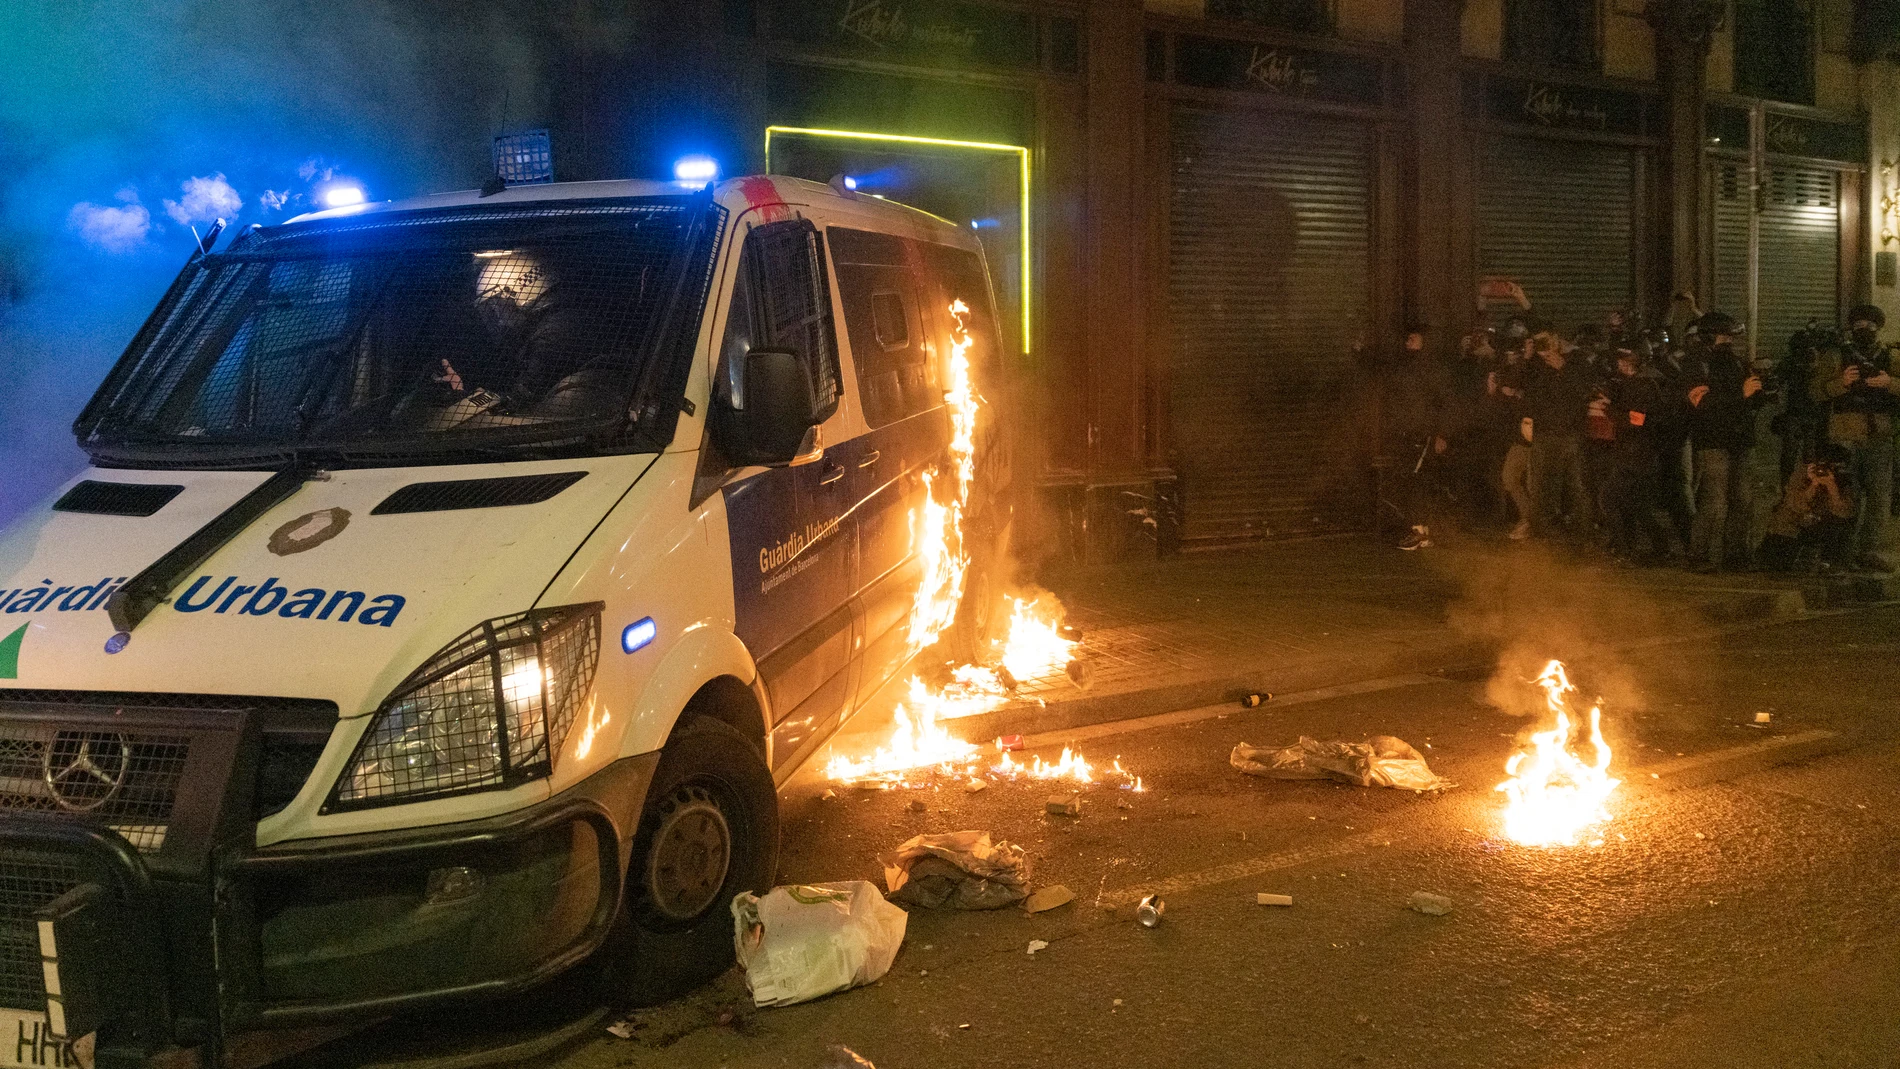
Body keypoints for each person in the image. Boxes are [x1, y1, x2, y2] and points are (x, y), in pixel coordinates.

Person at [1809, 306, 1899, 572]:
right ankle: (1841, 552)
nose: (1865, 330)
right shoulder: (1836, 356)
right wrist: (1842, 382)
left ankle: (1869, 551)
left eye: (1871, 325)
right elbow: (1815, 392)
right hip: (1844, 436)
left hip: (1880, 436)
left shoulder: (1891, 357)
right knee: (1846, 496)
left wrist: (1889, 383)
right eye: (1859, 325)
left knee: (1879, 497)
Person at [1684, 312, 1768, 572]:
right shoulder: (1697, 364)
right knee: (1715, 501)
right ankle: (1699, 556)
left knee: (1743, 499)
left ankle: (1736, 555)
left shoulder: (1738, 363)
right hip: (1712, 441)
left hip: (1741, 439)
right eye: (1723, 336)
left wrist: (1761, 393)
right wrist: (1740, 395)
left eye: (1731, 336)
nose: (1728, 342)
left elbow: (1748, 401)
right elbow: (1703, 404)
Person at [1379, 324, 1453, 550]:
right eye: (1407, 337)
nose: (1408, 341)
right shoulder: (1406, 366)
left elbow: (1446, 403)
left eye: (1413, 337)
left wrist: (1441, 434)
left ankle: (1419, 531)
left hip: (1424, 434)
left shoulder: (1433, 369)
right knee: (1415, 480)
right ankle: (1423, 531)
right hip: (1408, 432)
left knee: (1414, 480)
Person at [1522, 326, 1593, 540]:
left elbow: (1583, 391)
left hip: (1569, 435)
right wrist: (1528, 359)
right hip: (1544, 432)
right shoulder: (1539, 365)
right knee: (1541, 486)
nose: (1545, 350)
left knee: (1576, 487)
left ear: (1558, 340)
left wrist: (1564, 368)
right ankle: (1542, 534)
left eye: (1547, 343)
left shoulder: (1578, 361)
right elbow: (1527, 389)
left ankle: (1582, 535)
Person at [1602, 345, 1671, 562]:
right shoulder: (1646, 382)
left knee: (1610, 499)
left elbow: (1639, 420)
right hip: (1640, 452)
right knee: (1637, 504)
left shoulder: (1643, 385)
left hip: (1636, 453)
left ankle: (1624, 549)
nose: (1620, 364)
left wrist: (1611, 410)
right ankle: (1659, 547)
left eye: (1626, 359)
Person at [1757, 449, 1855, 572]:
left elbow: (1844, 512)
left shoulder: (1843, 480)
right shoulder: (1803, 474)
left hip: (1824, 526)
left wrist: (1832, 486)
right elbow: (1794, 505)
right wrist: (1813, 485)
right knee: (1781, 525)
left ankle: (1829, 563)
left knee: (1840, 527)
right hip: (1796, 525)